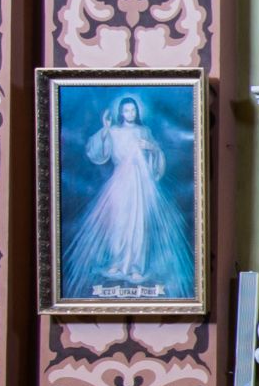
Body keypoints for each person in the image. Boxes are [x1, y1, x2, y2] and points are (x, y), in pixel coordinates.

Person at [64, 91, 195, 298]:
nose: (130, 113)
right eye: (126, 110)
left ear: (137, 112)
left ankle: (136, 266)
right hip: (120, 182)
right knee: (119, 223)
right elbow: (96, 152)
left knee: (139, 224)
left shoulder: (144, 131)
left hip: (141, 184)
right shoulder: (114, 131)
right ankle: (117, 262)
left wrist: (151, 148)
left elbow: (157, 157)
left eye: (133, 110)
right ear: (121, 113)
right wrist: (105, 129)